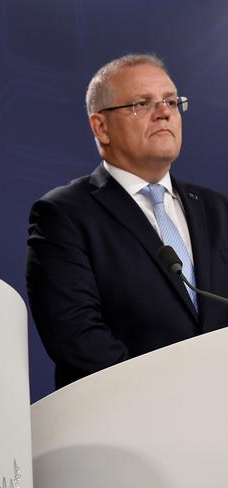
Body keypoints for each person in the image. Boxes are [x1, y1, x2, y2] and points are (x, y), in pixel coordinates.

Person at [26, 53, 228, 389]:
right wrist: (171, 399)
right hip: (124, 421)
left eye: (171, 101)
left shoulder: (217, 210)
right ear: (101, 127)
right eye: (142, 103)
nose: (164, 111)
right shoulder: (64, 215)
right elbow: (78, 338)